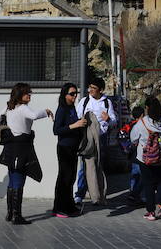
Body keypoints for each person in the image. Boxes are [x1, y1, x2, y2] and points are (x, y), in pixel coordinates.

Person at [0, 83, 52, 225]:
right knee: (19, 181)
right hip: (21, 148)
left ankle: (10, 213)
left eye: (29, 93)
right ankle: (17, 216)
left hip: (10, 148)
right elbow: (33, 115)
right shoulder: (23, 108)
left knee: (12, 180)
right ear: (19, 95)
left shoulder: (9, 107)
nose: (29, 95)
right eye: (27, 93)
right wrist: (46, 111)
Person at [131, 96, 161, 221]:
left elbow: (133, 138)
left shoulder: (142, 123)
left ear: (147, 108)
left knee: (148, 184)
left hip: (145, 159)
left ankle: (151, 211)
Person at [74, 77, 117, 207]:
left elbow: (115, 121)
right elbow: (77, 116)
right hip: (87, 137)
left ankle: (98, 195)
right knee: (85, 166)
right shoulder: (84, 101)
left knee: (98, 166)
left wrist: (108, 119)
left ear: (100, 90)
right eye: (90, 87)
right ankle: (79, 195)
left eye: (93, 88)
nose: (90, 90)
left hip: (101, 138)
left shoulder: (107, 103)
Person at [52, 83, 87, 218]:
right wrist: (75, 125)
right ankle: (58, 207)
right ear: (65, 95)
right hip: (64, 148)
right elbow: (57, 130)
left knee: (71, 177)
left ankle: (69, 205)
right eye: (72, 94)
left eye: (75, 93)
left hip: (73, 148)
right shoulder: (62, 109)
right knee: (64, 178)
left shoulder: (71, 107)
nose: (74, 96)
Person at [122, 105, 145, 203]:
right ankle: (135, 194)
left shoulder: (130, 125)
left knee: (134, 176)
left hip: (131, 155)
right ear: (142, 115)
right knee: (142, 177)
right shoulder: (141, 125)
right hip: (139, 154)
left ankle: (132, 192)